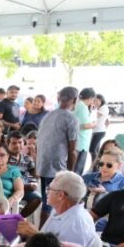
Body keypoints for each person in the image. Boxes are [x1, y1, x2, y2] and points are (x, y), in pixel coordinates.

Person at [17, 171, 97, 247]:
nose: (47, 192)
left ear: (60, 195)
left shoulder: (76, 224)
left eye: (50, 189)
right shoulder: (59, 210)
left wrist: (36, 235)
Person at [36, 87, 80, 219]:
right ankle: (42, 235)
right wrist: (69, 174)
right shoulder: (71, 119)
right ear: (75, 100)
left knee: (47, 201)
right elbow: (72, 151)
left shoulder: (47, 115)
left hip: (42, 165)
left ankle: (41, 233)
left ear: (58, 99)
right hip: (56, 167)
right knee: (53, 204)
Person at [73, 88, 96, 175]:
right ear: (90, 98)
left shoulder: (78, 105)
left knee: (76, 167)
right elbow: (85, 125)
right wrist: (94, 124)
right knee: (77, 169)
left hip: (79, 141)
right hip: (81, 142)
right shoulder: (82, 107)